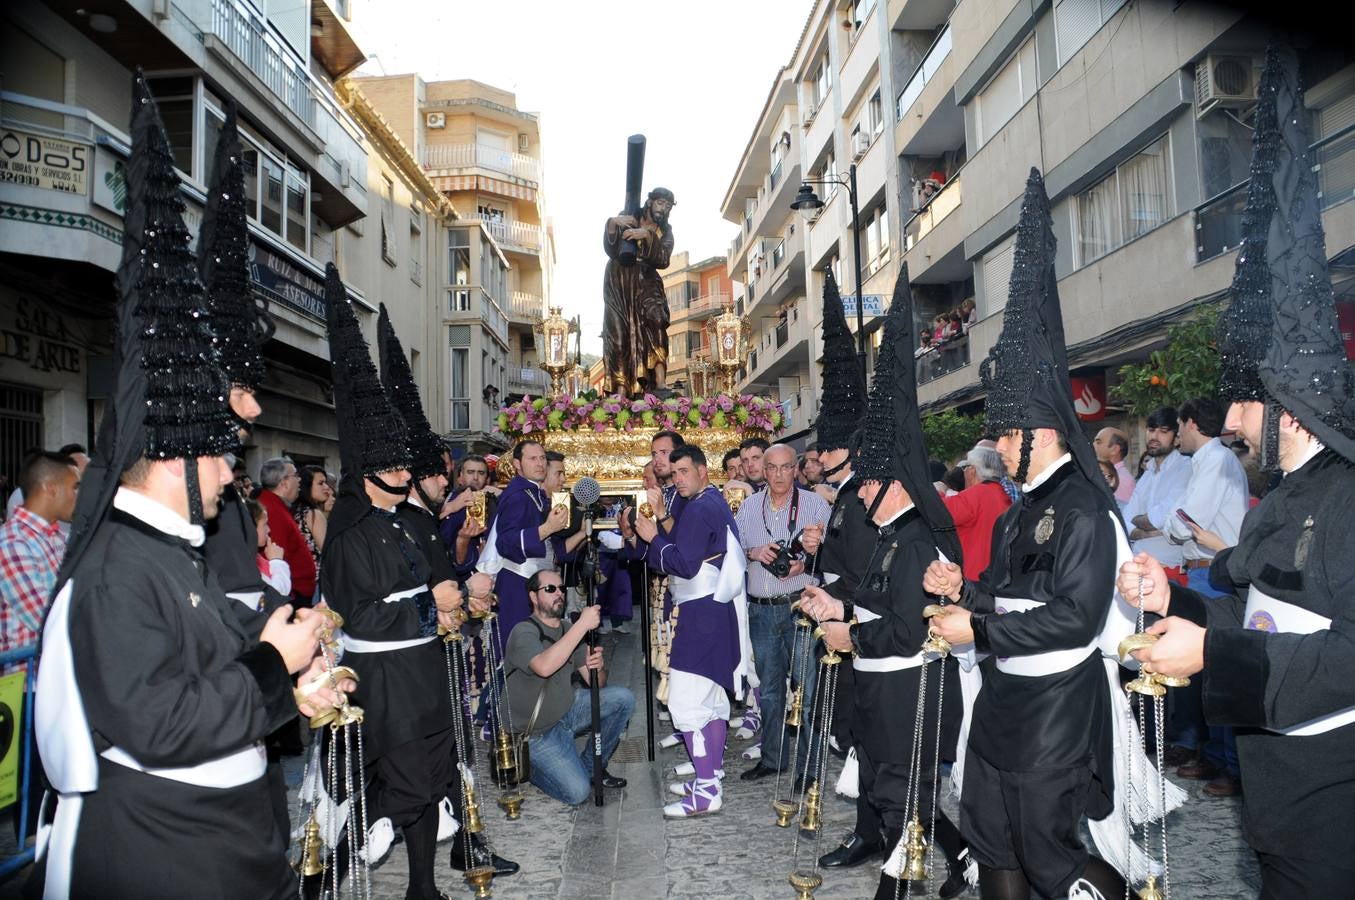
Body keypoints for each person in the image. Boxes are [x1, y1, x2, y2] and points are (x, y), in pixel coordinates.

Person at [33, 77, 333, 899]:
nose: (232, 471)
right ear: (174, 459)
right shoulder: (115, 570)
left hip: (222, 841)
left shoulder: (176, 552)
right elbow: (161, 723)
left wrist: (291, 662)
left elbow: (220, 642)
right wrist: (278, 663)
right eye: (218, 459)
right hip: (163, 851)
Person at [1117, 45, 1355, 895]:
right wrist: (1170, 600)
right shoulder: (1280, 494)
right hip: (1274, 788)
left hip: (1335, 792)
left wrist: (1213, 659)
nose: (1228, 424)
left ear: (1285, 409)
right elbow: (1252, 607)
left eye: (1241, 407)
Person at [925, 171, 1176, 899]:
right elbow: (1007, 598)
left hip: (1056, 707)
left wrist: (978, 632)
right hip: (1003, 700)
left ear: (1037, 433)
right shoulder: (1011, 509)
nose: (997, 452)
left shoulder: (1085, 510)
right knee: (990, 837)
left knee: (1047, 851)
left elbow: (1073, 616)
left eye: (1004, 439)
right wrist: (963, 592)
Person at [319, 268, 516, 893]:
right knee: (401, 785)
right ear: (372, 471)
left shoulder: (407, 521)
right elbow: (363, 616)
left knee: (435, 779)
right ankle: (334, 863)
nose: (409, 469)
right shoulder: (349, 535)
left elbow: (436, 583)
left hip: (426, 674)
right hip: (385, 682)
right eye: (398, 463)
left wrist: (456, 605)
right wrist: (434, 610)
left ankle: (423, 886)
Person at [800, 267, 972, 900]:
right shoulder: (891, 533)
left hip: (907, 686)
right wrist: (833, 603)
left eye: (869, 483)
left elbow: (906, 627)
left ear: (896, 483)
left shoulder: (919, 539)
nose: (861, 493)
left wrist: (850, 636)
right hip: (879, 684)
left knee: (905, 794)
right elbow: (872, 599)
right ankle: (965, 860)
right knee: (887, 789)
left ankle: (902, 885)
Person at [625, 445, 752, 818]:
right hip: (717, 610)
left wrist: (652, 536)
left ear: (702, 470)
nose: (677, 479)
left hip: (700, 614)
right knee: (712, 701)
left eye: (684, 472)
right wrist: (665, 522)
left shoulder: (699, 507)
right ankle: (707, 777)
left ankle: (707, 791)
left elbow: (683, 563)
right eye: (674, 473)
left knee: (686, 701)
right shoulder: (711, 502)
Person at [1161, 396, 1250, 795]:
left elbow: (1185, 522)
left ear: (1191, 423)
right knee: (1203, 672)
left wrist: (1172, 523)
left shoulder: (1215, 459)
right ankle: (1213, 754)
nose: (1176, 434)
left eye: (1178, 426)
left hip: (1216, 572)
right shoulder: (1205, 461)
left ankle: (1230, 765)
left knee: (1218, 668)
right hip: (1202, 571)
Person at [734, 443, 830, 785]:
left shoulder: (816, 506)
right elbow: (732, 555)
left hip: (800, 607)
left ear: (796, 469)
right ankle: (773, 759)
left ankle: (808, 769)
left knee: (805, 691)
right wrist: (754, 551)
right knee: (770, 692)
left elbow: (832, 554)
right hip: (761, 611)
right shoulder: (746, 508)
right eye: (771, 467)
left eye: (784, 467)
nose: (777, 475)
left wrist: (805, 563)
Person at [504, 569, 633, 804]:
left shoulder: (566, 629)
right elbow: (543, 667)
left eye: (562, 588)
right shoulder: (523, 631)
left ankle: (593, 766)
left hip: (566, 712)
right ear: (533, 597)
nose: (559, 594)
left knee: (623, 698)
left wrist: (598, 666)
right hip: (535, 733)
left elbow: (598, 683)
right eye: (550, 589)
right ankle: (531, 768)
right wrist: (581, 626)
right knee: (577, 793)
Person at [478, 440, 570, 648]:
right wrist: (547, 528)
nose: (539, 464)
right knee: (517, 644)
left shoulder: (532, 491)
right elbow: (506, 542)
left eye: (542, 458)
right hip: (517, 582)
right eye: (532, 458)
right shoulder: (518, 495)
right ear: (518, 464)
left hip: (531, 580)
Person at [1, 451, 79, 674]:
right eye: (74, 487)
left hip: (54, 680)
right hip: (29, 688)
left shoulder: (57, 538)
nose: (80, 495)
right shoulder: (12, 544)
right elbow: (48, 620)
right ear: (50, 489)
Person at [602, 187, 676, 395]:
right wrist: (612, 224)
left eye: (668, 206)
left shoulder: (665, 232)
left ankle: (660, 383)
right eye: (661, 203)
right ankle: (620, 390)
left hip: (647, 282)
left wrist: (647, 236)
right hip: (619, 281)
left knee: (657, 322)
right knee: (618, 335)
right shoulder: (629, 215)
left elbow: (663, 259)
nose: (664, 209)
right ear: (650, 202)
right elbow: (611, 249)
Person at [1123, 407, 1192, 572]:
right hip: (1137, 563)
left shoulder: (1186, 469)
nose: (1154, 437)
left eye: (1163, 431)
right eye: (1151, 430)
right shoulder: (1147, 474)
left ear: (1176, 439)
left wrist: (1141, 523)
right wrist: (1149, 531)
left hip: (1170, 567)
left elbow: (1160, 518)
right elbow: (1126, 520)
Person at [941, 445, 1012, 581]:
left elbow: (937, 512)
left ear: (972, 471)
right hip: (994, 578)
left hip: (970, 580)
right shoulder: (1004, 496)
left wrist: (940, 490)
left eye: (965, 467)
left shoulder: (975, 496)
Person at [256, 456, 318, 604]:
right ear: (284, 483)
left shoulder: (275, 505)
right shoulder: (271, 509)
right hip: (291, 595)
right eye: (296, 475)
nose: (300, 480)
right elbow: (276, 553)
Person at [293, 465, 331, 573]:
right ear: (307, 486)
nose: (326, 487)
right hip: (315, 579)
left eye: (325, 482)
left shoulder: (296, 510)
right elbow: (328, 551)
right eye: (320, 483)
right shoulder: (313, 514)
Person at [1092, 426, 1136, 507]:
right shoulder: (1110, 475)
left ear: (1115, 449)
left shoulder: (1122, 480)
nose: (1092, 445)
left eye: (1098, 442)